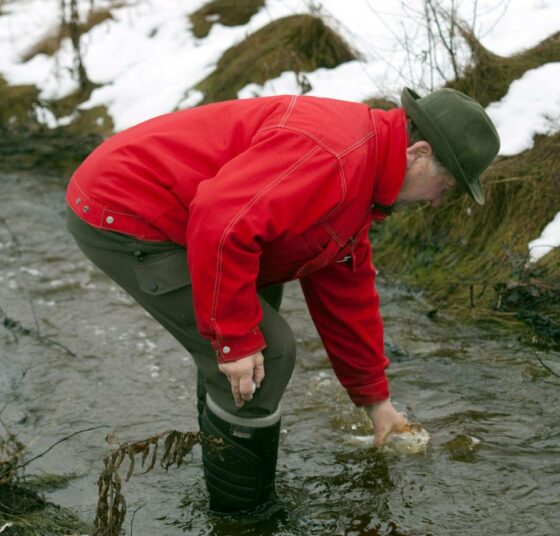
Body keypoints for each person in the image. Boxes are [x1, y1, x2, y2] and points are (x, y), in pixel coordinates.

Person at [65, 87, 500, 514]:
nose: (441, 201)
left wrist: (376, 403)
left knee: (248, 338)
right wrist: (234, 339)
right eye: (448, 186)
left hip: (193, 217)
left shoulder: (366, 173)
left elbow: (346, 293)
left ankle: (224, 479)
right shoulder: (336, 156)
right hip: (126, 207)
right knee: (266, 354)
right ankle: (242, 519)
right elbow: (220, 219)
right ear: (419, 154)